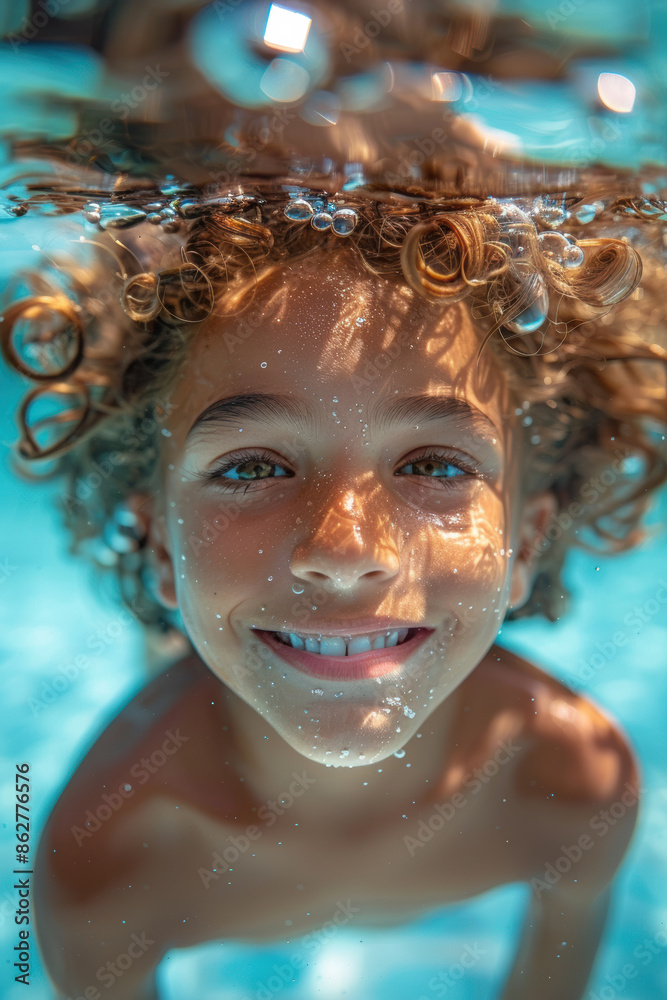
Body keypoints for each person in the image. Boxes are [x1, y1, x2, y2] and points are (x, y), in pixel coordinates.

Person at [4, 184, 666, 1000]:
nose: (346, 551)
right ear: (157, 545)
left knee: (257, 610)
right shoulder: (106, 865)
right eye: (253, 466)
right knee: (207, 635)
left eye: (434, 464)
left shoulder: (573, 782)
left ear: (524, 542)